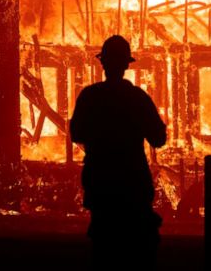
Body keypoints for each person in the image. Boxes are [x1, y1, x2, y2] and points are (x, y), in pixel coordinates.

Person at [70, 35, 167, 268]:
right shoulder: (138, 99)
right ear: (126, 65)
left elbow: (77, 135)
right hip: (133, 185)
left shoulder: (89, 97)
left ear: (102, 64)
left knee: (104, 251)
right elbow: (159, 138)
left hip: (101, 185)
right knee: (138, 252)